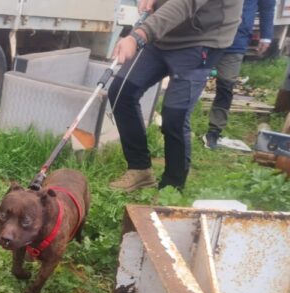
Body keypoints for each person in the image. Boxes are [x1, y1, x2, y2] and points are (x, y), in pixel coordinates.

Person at [108, 0, 245, 191]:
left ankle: (172, 187)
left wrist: (139, 35)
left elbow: (185, 3)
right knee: (122, 91)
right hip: (163, 34)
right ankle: (140, 169)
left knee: (175, 116)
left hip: (201, 38)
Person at [204, 0, 276, 149]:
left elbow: (267, 6)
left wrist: (266, 36)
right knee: (191, 80)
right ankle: (177, 125)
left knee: (226, 85)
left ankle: (214, 131)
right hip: (205, 36)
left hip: (236, 40)